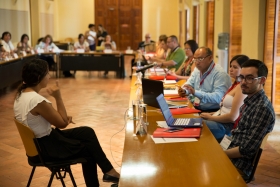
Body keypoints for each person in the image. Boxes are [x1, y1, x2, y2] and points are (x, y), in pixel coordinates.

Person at [14, 59, 120, 187]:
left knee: (87, 132)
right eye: (47, 73)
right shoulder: (37, 101)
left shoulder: (21, 95)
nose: (50, 76)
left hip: (37, 145)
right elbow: (62, 123)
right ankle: (106, 175)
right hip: (46, 148)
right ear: (38, 77)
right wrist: (58, 96)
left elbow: (54, 119)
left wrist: (60, 117)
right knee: (88, 151)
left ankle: (109, 171)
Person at [224, 59, 275, 180]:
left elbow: (246, 150)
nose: (243, 82)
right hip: (230, 150)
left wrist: (220, 154)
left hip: (238, 164)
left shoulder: (261, 108)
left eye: (250, 78)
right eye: (242, 77)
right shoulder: (251, 101)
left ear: (262, 80)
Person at [200, 55, 249, 141]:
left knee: (198, 126)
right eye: (230, 66)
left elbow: (232, 117)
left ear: (244, 70)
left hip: (226, 127)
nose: (231, 69)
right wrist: (210, 114)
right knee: (195, 121)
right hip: (220, 120)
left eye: (235, 67)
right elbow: (225, 109)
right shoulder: (234, 85)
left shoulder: (241, 88)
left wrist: (210, 117)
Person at [178, 47, 232, 111]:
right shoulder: (197, 70)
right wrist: (185, 91)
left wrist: (196, 92)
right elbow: (189, 84)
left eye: (200, 59)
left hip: (212, 112)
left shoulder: (220, 74)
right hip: (196, 107)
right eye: (195, 59)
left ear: (210, 58)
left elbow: (218, 98)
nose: (197, 62)